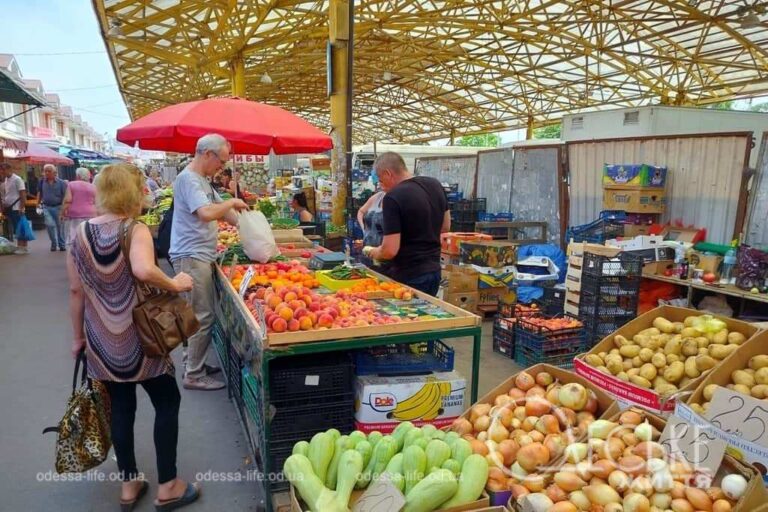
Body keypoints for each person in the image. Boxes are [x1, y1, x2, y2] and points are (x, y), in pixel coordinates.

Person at [67, 163, 200, 511]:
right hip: (142, 340)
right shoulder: (134, 229)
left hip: (101, 341)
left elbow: (75, 292)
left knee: (121, 410)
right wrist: (176, 283)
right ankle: (168, 484)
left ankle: (129, 485)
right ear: (132, 191)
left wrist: (77, 338)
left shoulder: (79, 234)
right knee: (167, 402)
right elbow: (142, 269)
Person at [170, 134, 249, 391]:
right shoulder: (189, 180)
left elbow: (222, 211)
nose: (221, 167)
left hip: (200, 254)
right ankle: (193, 374)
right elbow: (206, 214)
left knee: (198, 314)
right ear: (207, 154)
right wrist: (232, 201)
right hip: (191, 256)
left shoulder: (202, 181)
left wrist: (251, 225)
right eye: (221, 161)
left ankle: (195, 363)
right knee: (201, 316)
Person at [364, 152, 450, 296]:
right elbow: (445, 226)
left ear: (388, 173)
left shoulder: (393, 197)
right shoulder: (434, 184)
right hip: (433, 272)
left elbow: (390, 250)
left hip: (408, 276)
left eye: (380, 179)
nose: (380, 185)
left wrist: (373, 252)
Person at [61, 167, 97, 249]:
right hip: (91, 214)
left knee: (75, 236)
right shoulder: (93, 187)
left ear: (78, 175)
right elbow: (96, 202)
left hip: (75, 215)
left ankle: (76, 254)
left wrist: (62, 212)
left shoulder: (71, 184)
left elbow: (67, 200)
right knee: (88, 235)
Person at [357, 190, 389, 273]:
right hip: (367, 251)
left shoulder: (397, 198)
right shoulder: (378, 197)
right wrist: (364, 230)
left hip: (384, 256)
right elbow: (361, 211)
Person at [38, 163, 68, 251]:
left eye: (49, 171)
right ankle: (53, 243)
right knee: (49, 225)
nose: (46, 173)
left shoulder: (62, 183)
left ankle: (62, 245)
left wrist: (64, 208)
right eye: (45, 171)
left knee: (60, 227)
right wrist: (38, 203)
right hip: (46, 207)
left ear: (54, 172)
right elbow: (39, 192)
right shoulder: (42, 181)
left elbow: (65, 196)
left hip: (58, 207)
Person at [1, 162, 28, 254]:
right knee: (16, 227)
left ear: (9, 169)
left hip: (17, 207)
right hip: (9, 208)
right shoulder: (6, 180)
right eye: (1, 170)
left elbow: (23, 194)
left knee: (20, 227)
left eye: (4, 170)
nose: (2, 172)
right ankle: (19, 245)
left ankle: (23, 247)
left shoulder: (17, 179)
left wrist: (22, 207)